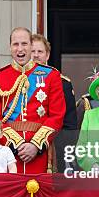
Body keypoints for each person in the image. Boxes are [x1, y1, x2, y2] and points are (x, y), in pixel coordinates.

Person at [0, 27, 66, 174]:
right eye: (15, 44)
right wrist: (17, 144)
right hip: (7, 153)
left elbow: (57, 116)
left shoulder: (51, 76)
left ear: (31, 46)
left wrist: (35, 145)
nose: (20, 49)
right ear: (10, 47)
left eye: (24, 44)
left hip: (40, 153)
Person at [31, 33, 76, 173]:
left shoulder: (62, 83)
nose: (36, 55)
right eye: (32, 51)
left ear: (47, 55)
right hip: (23, 146)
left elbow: (69, 125)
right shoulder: (17, 82)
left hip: (54, 148)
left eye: (40, 51)